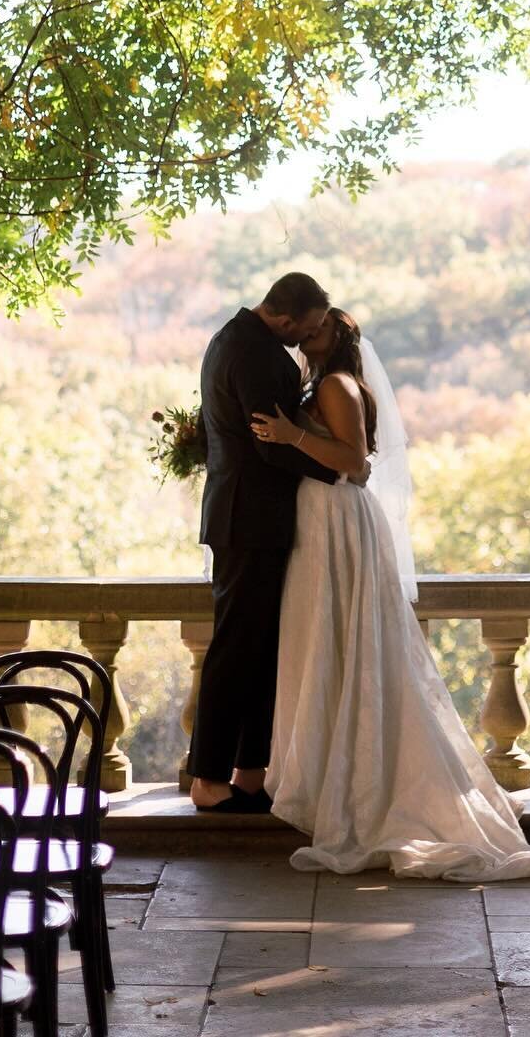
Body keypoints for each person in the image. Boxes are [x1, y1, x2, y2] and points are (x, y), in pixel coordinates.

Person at [251, 308, 530, 880]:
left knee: (349, 647)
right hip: (322, 521)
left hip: (337, 521)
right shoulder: (323, 381)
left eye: (319, 330)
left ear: (340, 337)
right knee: (327, 647)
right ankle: (339, 772)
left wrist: (290, 434)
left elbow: (354, 463)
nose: (308, 337)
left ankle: (369, 789)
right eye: (307, 329)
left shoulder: (337, 385)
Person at [187, 272, 338, 813]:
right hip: (246, 518)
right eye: (312, 326)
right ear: (286, 316)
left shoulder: (237, 339)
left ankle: (251, 772)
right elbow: (268, 442)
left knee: (261, 648)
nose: (311, 336)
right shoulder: (254, 352)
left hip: (251, 517)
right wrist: (339, 470)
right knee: (234, 649)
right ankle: (207, 778)